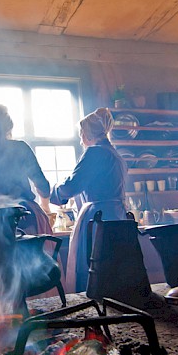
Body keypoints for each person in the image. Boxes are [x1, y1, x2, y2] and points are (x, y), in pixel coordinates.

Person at [49, 107, 129, 293]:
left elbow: (72, 185)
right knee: (113, 267)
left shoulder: (95, 152)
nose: (80, 139)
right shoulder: (116, 155)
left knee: (93, 266)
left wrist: (54, 193)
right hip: (117, 216)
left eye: (81, 134)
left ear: (87, 133)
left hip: (97, 217)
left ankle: (95, 307)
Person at [0, 103, 52, 235]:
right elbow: (43, 186)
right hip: (25, 219)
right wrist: (45, 207)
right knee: (35, 253)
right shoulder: (20, 149)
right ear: (8, 125)